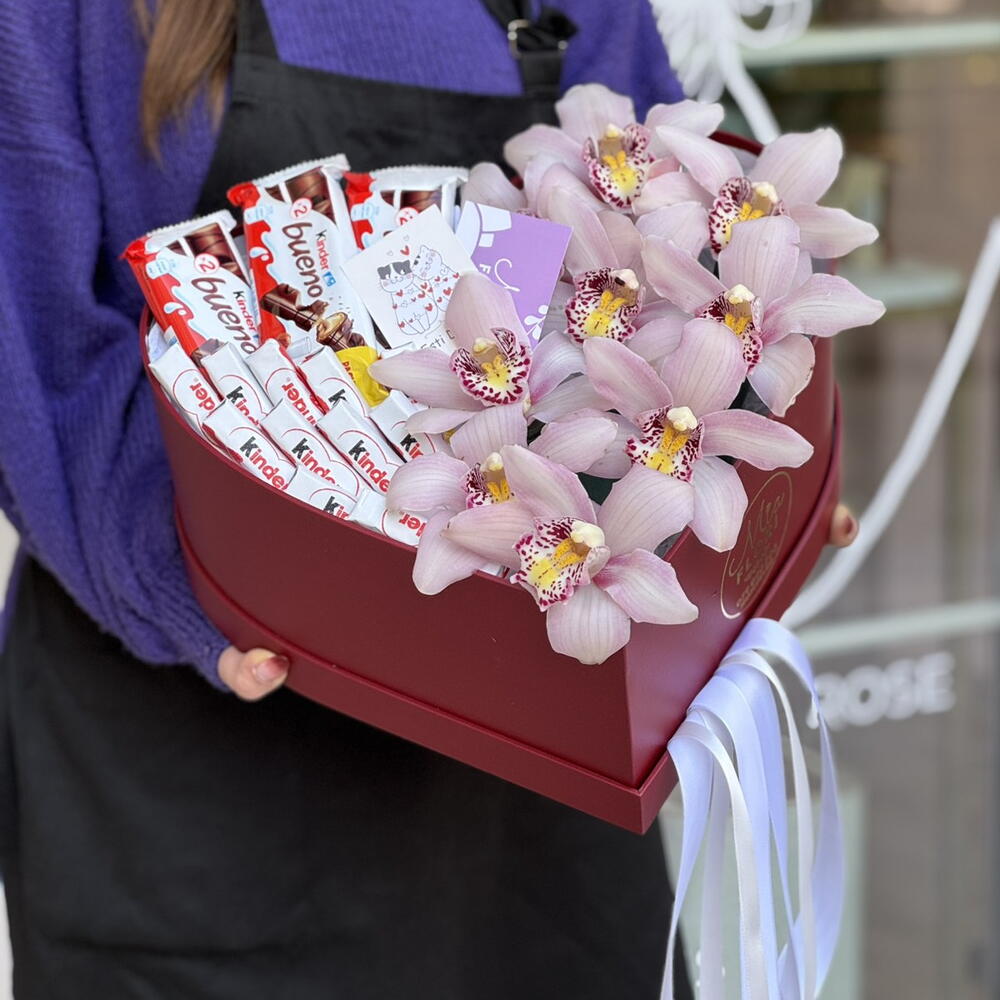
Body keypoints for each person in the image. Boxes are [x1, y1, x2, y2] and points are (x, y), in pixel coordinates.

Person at [0, 2, 859, 996]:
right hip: (202, 759)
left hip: (534, 766)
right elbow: (38, 355)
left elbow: (664, 262)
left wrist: (759, 520)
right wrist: (202, 578)